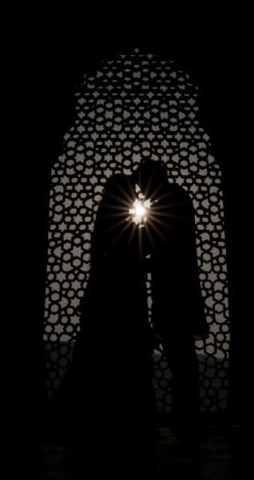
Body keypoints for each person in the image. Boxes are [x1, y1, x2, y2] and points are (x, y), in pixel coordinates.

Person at [56, 173, 158, 429]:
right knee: (119, 357)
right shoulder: (116, 222)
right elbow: (127, 259)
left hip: (107, 297)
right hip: (119, 300)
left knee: (99, 357)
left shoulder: (107, 220)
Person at [133, 160, 209, 431]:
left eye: (143, 183)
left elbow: (166, 246)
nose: (142, 190)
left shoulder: (170, 200)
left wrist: (139, 258)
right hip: (174, 284)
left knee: (179, 350)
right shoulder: (170, 199)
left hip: (175, 287)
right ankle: (186, 411)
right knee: (179, 349)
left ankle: (186, 413)